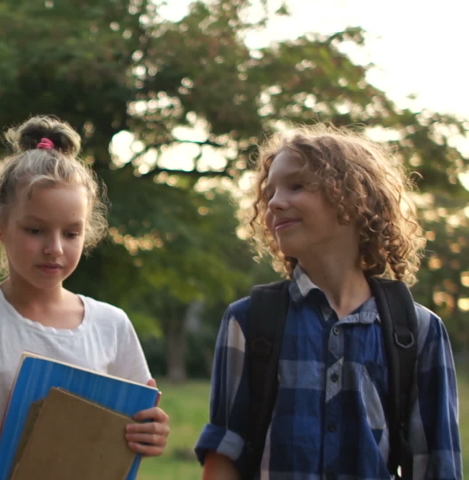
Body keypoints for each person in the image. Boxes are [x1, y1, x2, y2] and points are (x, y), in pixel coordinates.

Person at [0, 115, 170, 479]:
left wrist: (151, 433)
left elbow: (131, 428)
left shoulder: (112, 325)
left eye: (71, 234)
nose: (54, 248)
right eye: (35, 230)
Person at [195, 124, 462, 479]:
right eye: (270, 192)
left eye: (297, 186)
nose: (273, 203)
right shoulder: (249, 320)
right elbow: (225, 455)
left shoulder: (418, 330)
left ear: (353, 199)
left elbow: (437, 463)